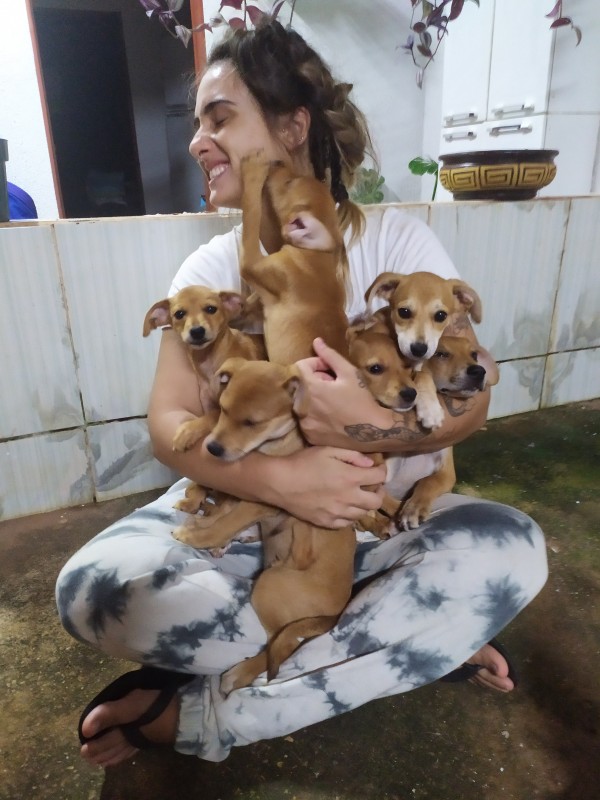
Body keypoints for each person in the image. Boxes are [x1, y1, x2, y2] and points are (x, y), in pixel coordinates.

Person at [56, 20, 548, 768]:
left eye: (219, 117)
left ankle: (197, 712)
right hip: (244, 513)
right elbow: (169, 426)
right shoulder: (212, 265)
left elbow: (471, 399)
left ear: (292, 127)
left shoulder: (399, 248)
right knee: (94, 593)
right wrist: (285, 480)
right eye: (197, 123)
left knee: (513, 553)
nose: (198, 140)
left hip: (379, 521)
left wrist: (358, 437)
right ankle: (409, 636)